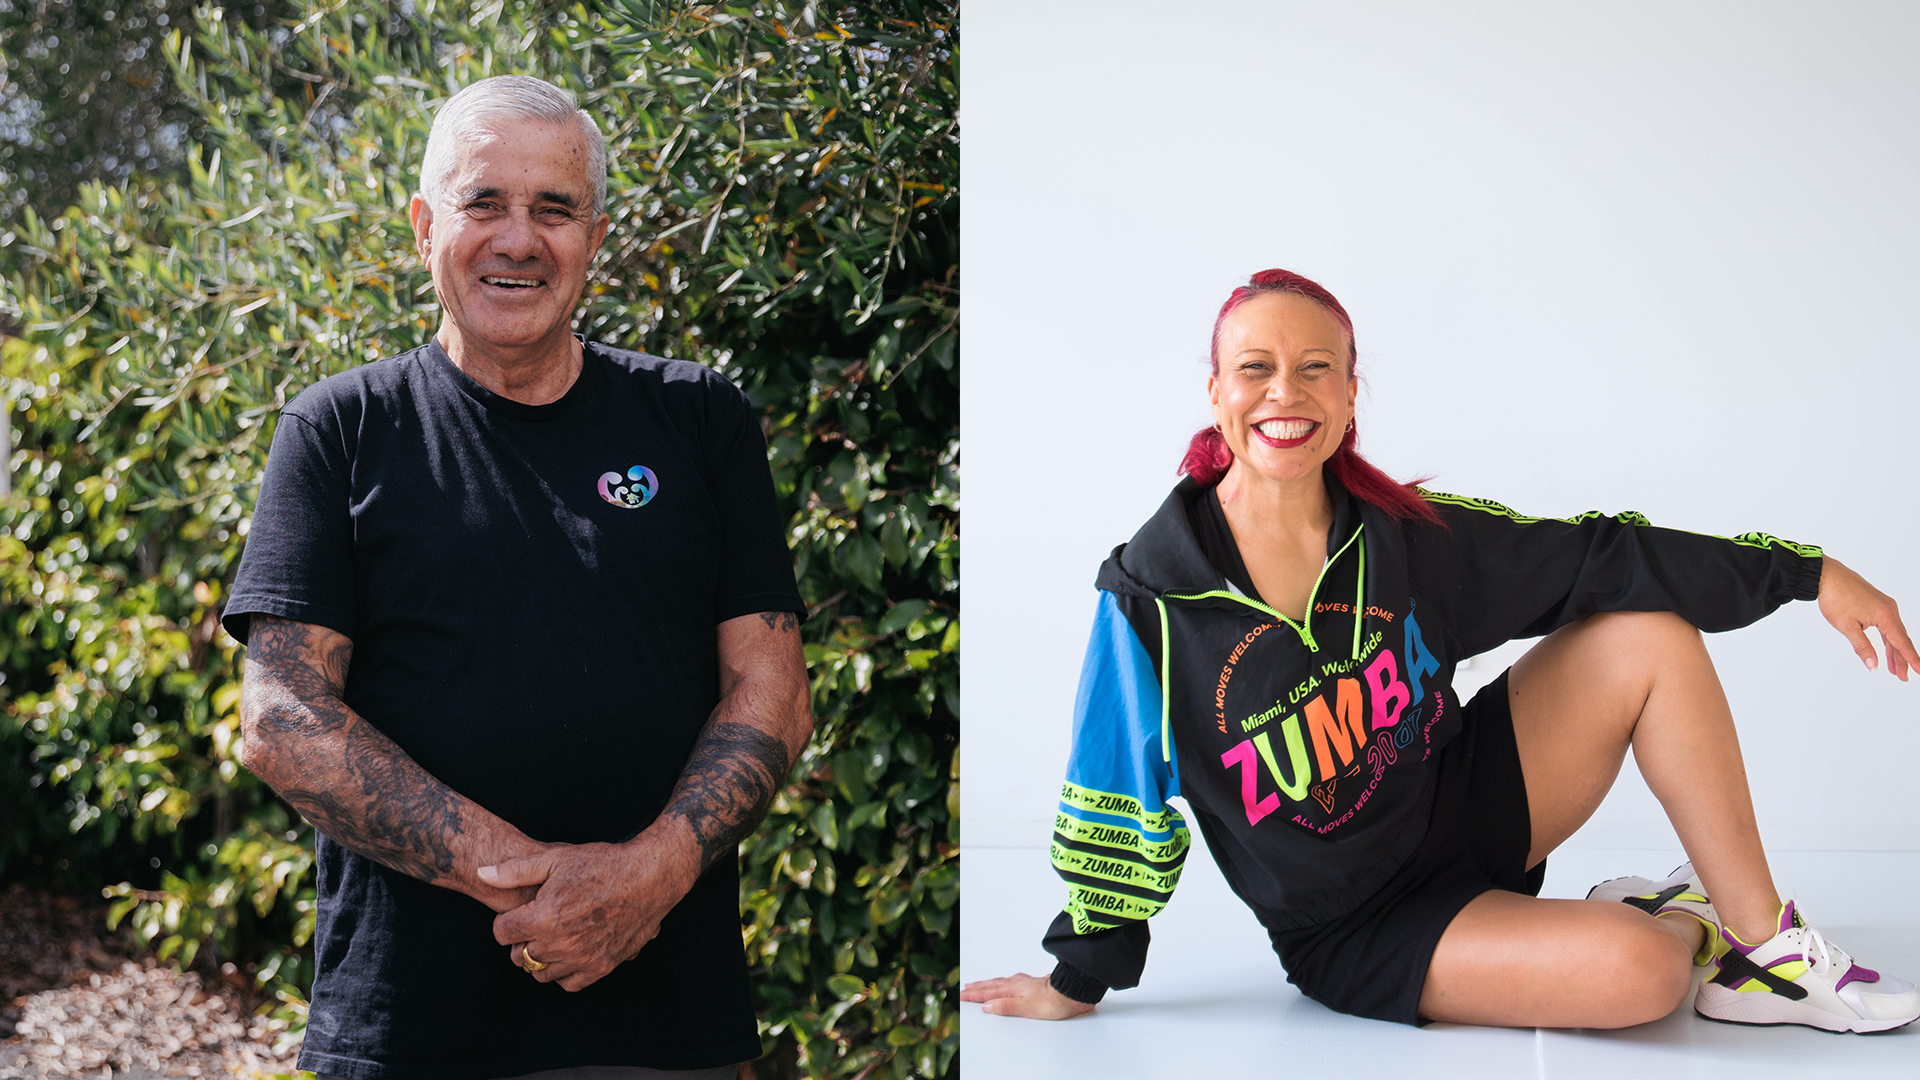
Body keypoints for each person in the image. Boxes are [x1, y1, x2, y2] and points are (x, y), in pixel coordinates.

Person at [961, 268, 1920, 1033]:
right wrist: (1079, 977)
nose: (1283, 393)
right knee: (1648, 973)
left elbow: (1596, 554)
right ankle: (1679, 917)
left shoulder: (1403, 536)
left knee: (1647, 635)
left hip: (1470, 804)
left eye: (1315, 368)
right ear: (1216, 393)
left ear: (1347, 396)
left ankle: (1767, 953)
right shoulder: (1151, 598)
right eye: (1254, 368)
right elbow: (1116, 796)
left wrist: (1807, 574)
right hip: (1361, 927)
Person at [223, 75, 811, 1079]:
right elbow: (283, 721)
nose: (518, 238)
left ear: (596, 235)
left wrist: (645, 881)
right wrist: (540, 890)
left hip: (666, 1023)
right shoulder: (340, 430)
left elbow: (774, 692)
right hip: (411, 1024)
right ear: (423, 226)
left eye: (554, 208)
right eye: (483, 202)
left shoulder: (698, 418)